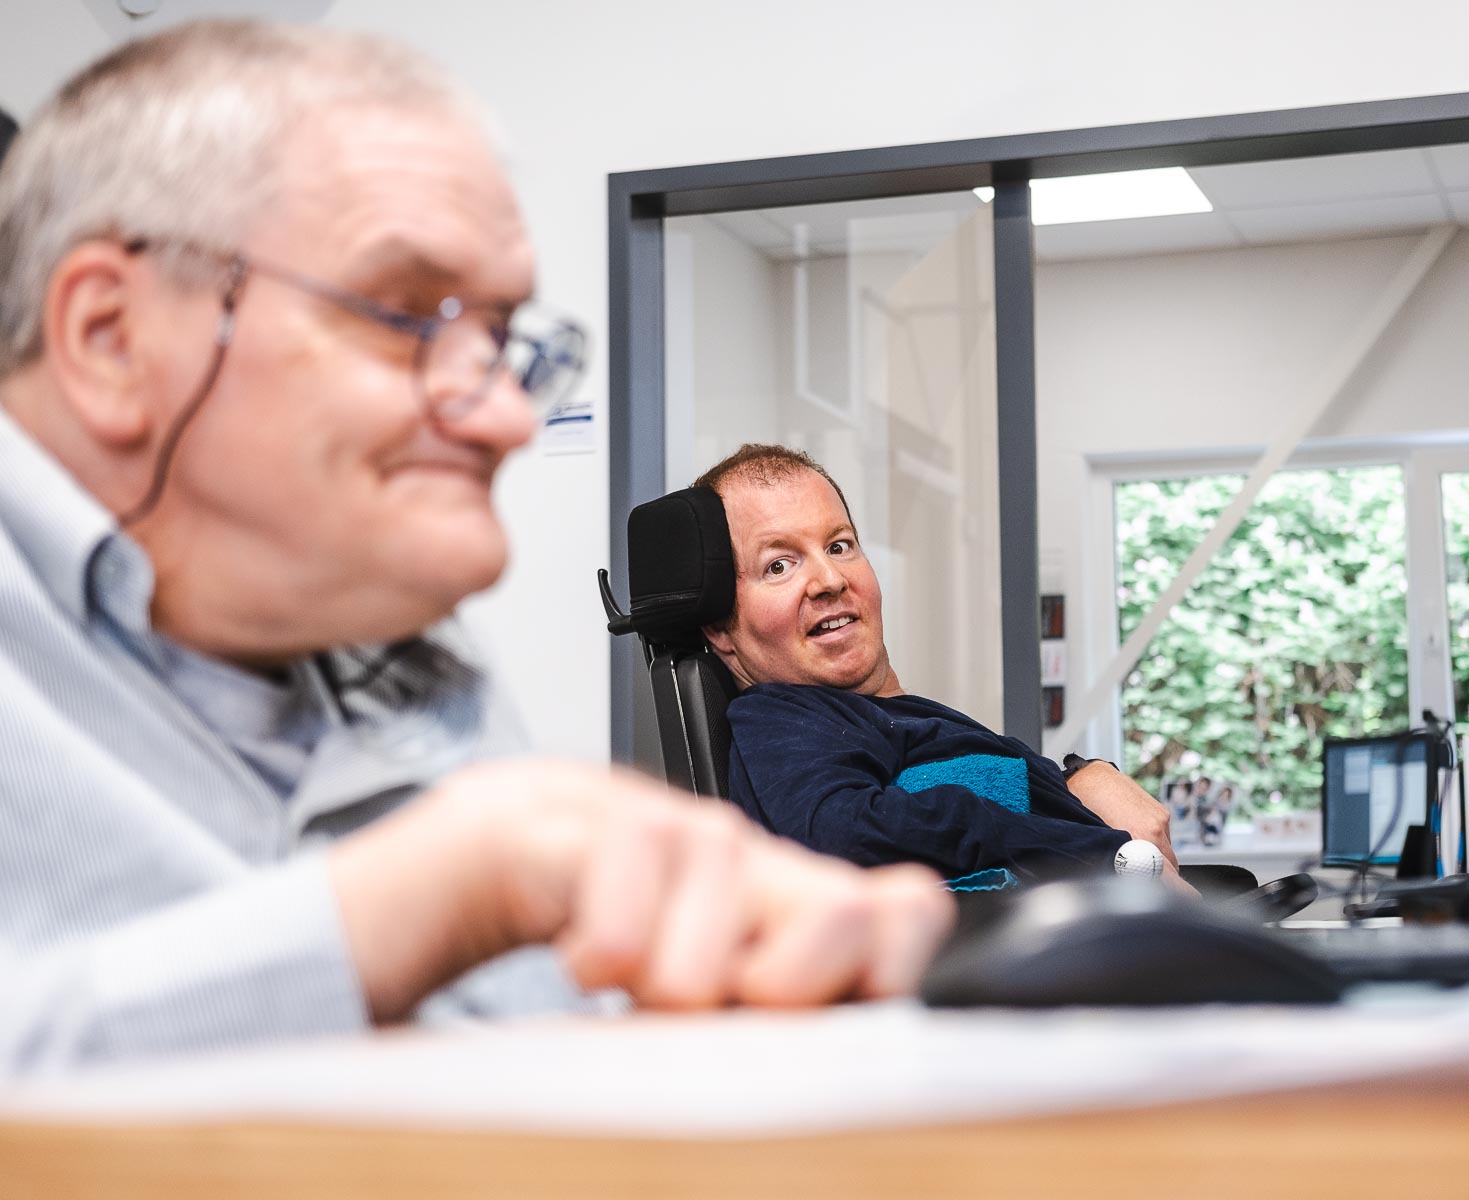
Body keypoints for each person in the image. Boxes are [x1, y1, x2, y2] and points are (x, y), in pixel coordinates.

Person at [0, 21, 951, 1076]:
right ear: (111, 338)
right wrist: (441, 894)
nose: (507, 416)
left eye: (501, 340)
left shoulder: (398, 655)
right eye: (407, 316)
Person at [693, 444, 1179, 886]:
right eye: (778, 565)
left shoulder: (894, 717)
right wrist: (1114, 854)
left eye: (839, 546)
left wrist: (1083, 777)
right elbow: (843, 835)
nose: (829, 579)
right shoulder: (782, 714)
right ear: (721, 628)